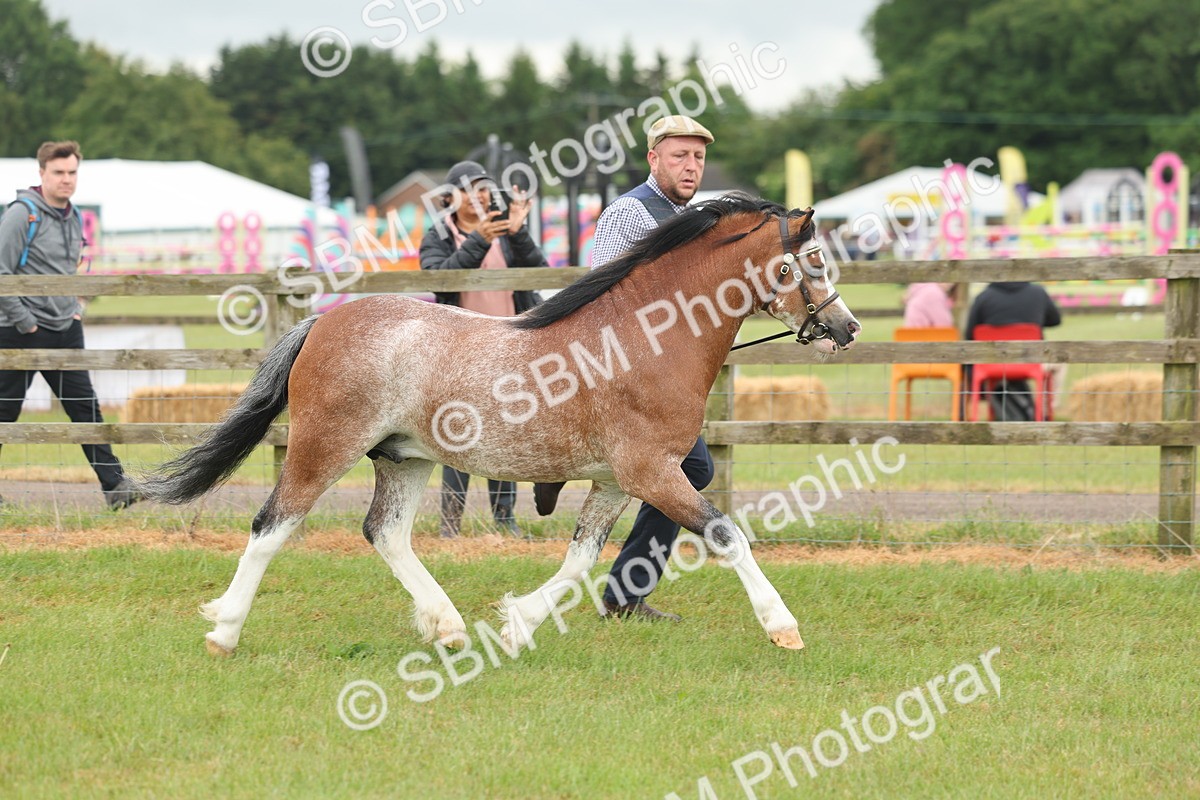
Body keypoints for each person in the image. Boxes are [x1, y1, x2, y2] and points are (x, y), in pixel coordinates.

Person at [537, 115, 717, 622]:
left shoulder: (696, 217)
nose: (690, 166)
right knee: (692, 469)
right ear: (653, 159)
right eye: (679, 156)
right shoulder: (630, 213)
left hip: (660, 378)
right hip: (621, 372)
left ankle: (623, 592)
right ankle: (622, 592)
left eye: (698, 157)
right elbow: (606, 296)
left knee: (694, 469)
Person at [0, 140, 142, 510]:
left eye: (72, 172)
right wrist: (26, 324)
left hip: (65, 327)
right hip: (19, 331)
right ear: (42, 173)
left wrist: (76, 308)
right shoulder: (22, 214)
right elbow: (1, 272)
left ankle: (116, 487)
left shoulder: (74, 215)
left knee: (85, 408)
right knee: (3, 412)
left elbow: (71, 270)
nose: (66, 179)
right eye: (58, 172)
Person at [419, 160, 548, 538]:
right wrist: (480, 239)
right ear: (449, 197)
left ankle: (504, 519)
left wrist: (519, 230)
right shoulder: (438, 234)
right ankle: (450, 524)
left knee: (505, 431)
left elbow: (539, 268)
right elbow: (440, 278)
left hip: (510, 344)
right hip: (457, 351)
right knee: (454, 429)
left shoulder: (508, 230)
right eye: (470, 189)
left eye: (484, 188)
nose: (480, 196)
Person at [964, 281, 1062, 421]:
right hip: (1032, 362)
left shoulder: (983, 297)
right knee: (1060, 362)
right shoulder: (1038, 292)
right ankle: (1046, 412)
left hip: (991, 364)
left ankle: (973, 416)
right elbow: (1055, 320)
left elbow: (970, 334)